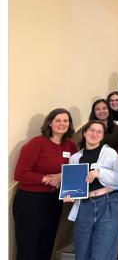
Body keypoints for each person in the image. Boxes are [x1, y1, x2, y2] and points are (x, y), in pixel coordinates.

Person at [13, 108, 77, 260]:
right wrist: (47, 179)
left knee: (46, 244)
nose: (62, 124)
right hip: (30, 201)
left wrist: (61, 176)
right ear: (50, 123)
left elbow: (74, 170)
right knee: (28, 246)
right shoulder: (37, 143)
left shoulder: (70, 146)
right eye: (58, 120)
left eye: (65, 121)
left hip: (54, 200)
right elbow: (20, 174)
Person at [64, 120, 118, 260]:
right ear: (84, 133)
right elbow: (73, 185)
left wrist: (99, 172)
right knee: (81, 253)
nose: (94, 134)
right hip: (84, 206)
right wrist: (70, 195)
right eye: (91, 130)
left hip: (109, 205)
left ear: (103, 136)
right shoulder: (75, 158)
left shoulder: (110, 153)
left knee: (102, 254)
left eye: (99, 132)